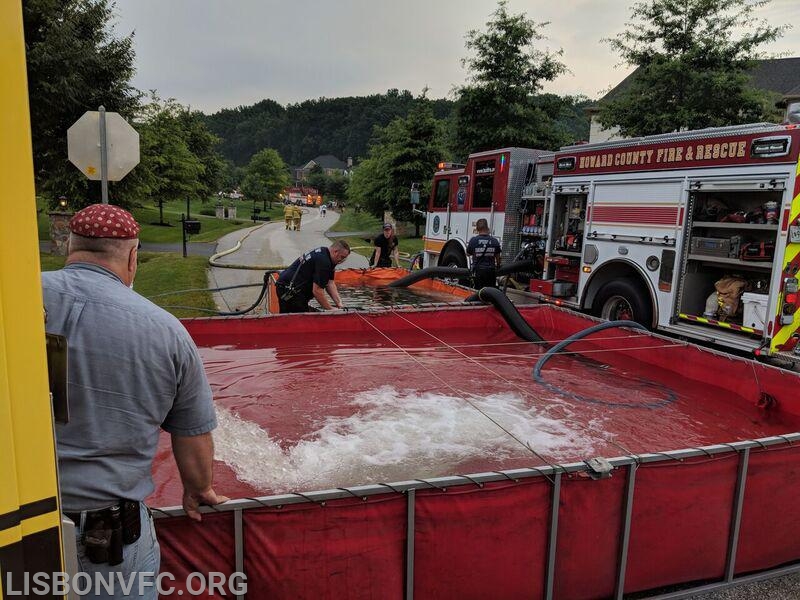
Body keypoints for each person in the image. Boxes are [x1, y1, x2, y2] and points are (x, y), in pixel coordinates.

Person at [41, 204, 227, 597]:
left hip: (19, 521)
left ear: (69, 248)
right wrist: (198, 488)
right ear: (132, 256)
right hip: (107, 540)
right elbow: (192, 434)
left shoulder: (17, 298)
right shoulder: (166, 332)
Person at [276, 240, 350, 313]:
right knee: (300, 322)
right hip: (290, 291)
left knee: (288, 320)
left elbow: (330, 283)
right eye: (342, 257)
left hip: (287, 286)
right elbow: (317, 291)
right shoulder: (324, 262)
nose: (342, 261)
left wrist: (339, 304)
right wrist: (330, 309)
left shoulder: (324, 252)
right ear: (335, 251)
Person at [467, 218, 502, 289]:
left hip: (478, 272)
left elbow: (468, 253)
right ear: (487, 227)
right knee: (490, 292)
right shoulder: (495, 241)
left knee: (478, 292)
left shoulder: (473, 240)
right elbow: (498, 259)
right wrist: (498, 266)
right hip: (491, 272)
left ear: (477, 228)